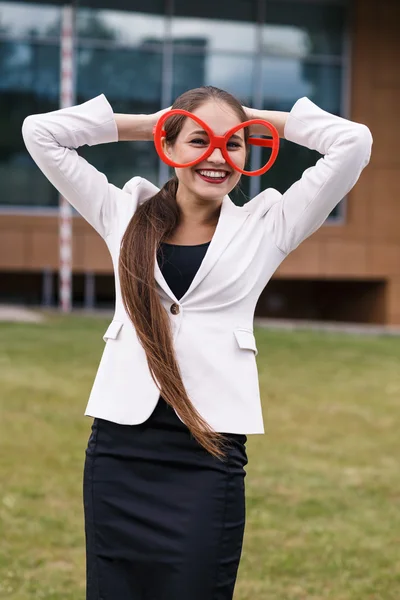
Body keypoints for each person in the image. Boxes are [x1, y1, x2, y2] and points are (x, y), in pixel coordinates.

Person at [22, 85, 372, 600]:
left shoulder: (268, 224)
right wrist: (152, 122)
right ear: (169, 146)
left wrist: (257, 119)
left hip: (208, 454)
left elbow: (353, 142)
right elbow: (42, 133)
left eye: (232, 144)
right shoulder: (123, 212)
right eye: (198, 140)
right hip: (121, 452)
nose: (216, 155)